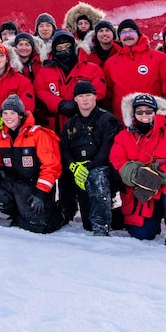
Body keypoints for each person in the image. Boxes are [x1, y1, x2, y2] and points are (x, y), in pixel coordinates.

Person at [110, 92, 166, 245]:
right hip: (142, 191)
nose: (144, 115)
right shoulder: (123, 136)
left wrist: (155, 174)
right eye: (139, 111)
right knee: (142, 234)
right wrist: (137, 175)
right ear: (133, 113)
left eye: (149, 111)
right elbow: (117, 161)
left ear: (156, 112)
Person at [0, 94, 63, 234]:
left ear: (20, 115)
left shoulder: (39, 134)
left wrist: (41, 194)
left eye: (12, 113)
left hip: (36, 187)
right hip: (15, 185)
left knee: (38, 227)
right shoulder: (0, 138)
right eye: (5, 113)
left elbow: (51, 166)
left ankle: (60, 214)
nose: (8, 117)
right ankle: (19, 213)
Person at [58, 79, 121, 235]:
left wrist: (89, 167)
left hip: (103, 171)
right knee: (87, 223)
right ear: (75, 99)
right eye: (80, 96)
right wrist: (73, 166)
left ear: (95, 97)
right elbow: (65, 149)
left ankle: (103, 226)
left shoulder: (108, 120)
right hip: (79, 172)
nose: (84, 99)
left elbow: (108, 150)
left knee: (96, 175)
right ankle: (65, 213)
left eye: (88, 95)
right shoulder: (70, 124)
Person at [34, 31, 105, 133]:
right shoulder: (45, 70)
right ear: (54, 50)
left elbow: (99, 90)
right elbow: (39, 89)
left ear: (74, 46)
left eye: (67, 46)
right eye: (60, 48)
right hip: (56, 125)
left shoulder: (91, 68)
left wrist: (79, 104)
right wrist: (59, 104)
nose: (64, 50)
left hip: (86, 122)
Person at [103, 18, 166, 107]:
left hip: (151, 116)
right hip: (121, 117)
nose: (127, 35)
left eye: (131, 31)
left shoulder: (159, 58)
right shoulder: (110, 63)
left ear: (138, 34)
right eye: (123, 32)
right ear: (119, 37)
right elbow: (108, 94)